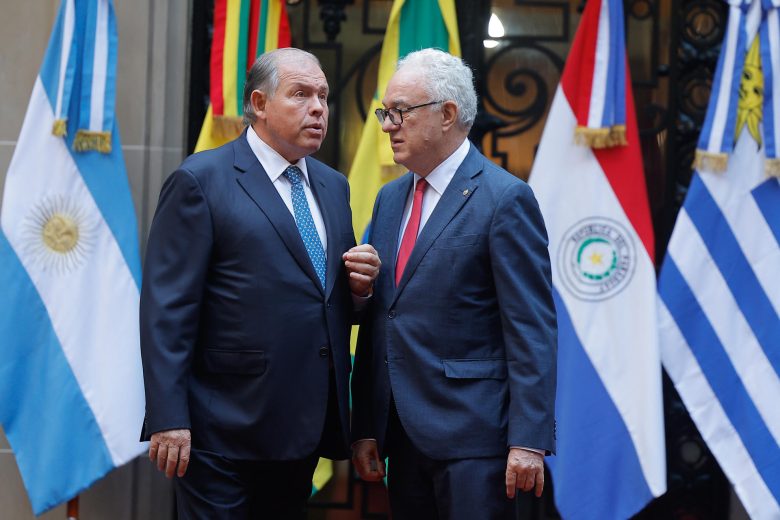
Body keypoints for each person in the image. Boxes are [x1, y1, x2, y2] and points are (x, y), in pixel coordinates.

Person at [139, 48, 380, 519]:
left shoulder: (333, 186)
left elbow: (325, 299)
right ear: (259, 103)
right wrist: (168, 417)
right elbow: (167, 309)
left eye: (323, 96)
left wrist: (360, 291)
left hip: (302, 426)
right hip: (220, 427)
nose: (318, 108)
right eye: (301, 94)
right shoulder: (201, 180)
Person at [351, 48, 557, 520]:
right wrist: (366, 424)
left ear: (447, 114)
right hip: (401, 437)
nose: (387, 126)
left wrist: (528, 440)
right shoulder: (389, 198)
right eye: (385, 113)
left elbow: (531, 328)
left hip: (477, 441)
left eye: (400, 111)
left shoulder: (505, 199)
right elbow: (384, 316)